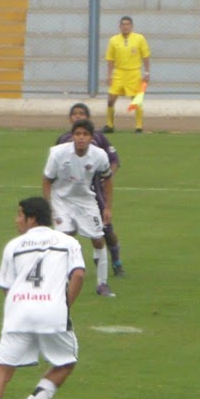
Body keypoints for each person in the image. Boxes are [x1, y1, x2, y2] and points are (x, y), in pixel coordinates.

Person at [0, 197, 86, 399]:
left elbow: (6, 286)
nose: (17, 220)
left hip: (19, 313)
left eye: (20, 215)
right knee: (66, 363)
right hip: (52, 313)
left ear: (32, 219)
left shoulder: (13, 245)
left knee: (3, 371)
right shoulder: (68, 242)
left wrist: (20, 305)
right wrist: (65, 305)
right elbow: (78, 275)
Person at [43, 120, 115, 298]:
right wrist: (48, 206)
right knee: (63, 239)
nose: (81, 138)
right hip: (61, 200)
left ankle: (102, 284)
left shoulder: (99, 155)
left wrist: (107, 207)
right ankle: (61, 282)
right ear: (72, 136)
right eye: (77, 134)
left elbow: (108, 179)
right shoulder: (58, 153)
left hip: (86, 201)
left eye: (85, 134)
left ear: (91, 137)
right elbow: (47, 180)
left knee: (98, 239)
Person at [59, 103, 125, 277]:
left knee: (105, 232)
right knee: (67, 233)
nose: (78, 116)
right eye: (74, 114)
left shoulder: (99, 139)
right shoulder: (63, 140)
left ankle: (116, 262)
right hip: (70, 196)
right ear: (70, 118)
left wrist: (106, 178)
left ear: (88, 118)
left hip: (95, 194)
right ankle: (67, 269)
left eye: (81, 114)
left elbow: (114, 161)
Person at [104, 16, 151, 133]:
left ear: (132, 26)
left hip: (134, 72)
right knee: (111, 99)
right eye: (123, 24)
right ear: (120, 26)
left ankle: (139, 127)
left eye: (127, 24)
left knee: (137, 100)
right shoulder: (113, 40)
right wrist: (109, 75)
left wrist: (147, 72)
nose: (125, 27)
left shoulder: (139, 39)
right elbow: (110, 59)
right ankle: (110, 125)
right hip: (119, 73)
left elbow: (145, 56)